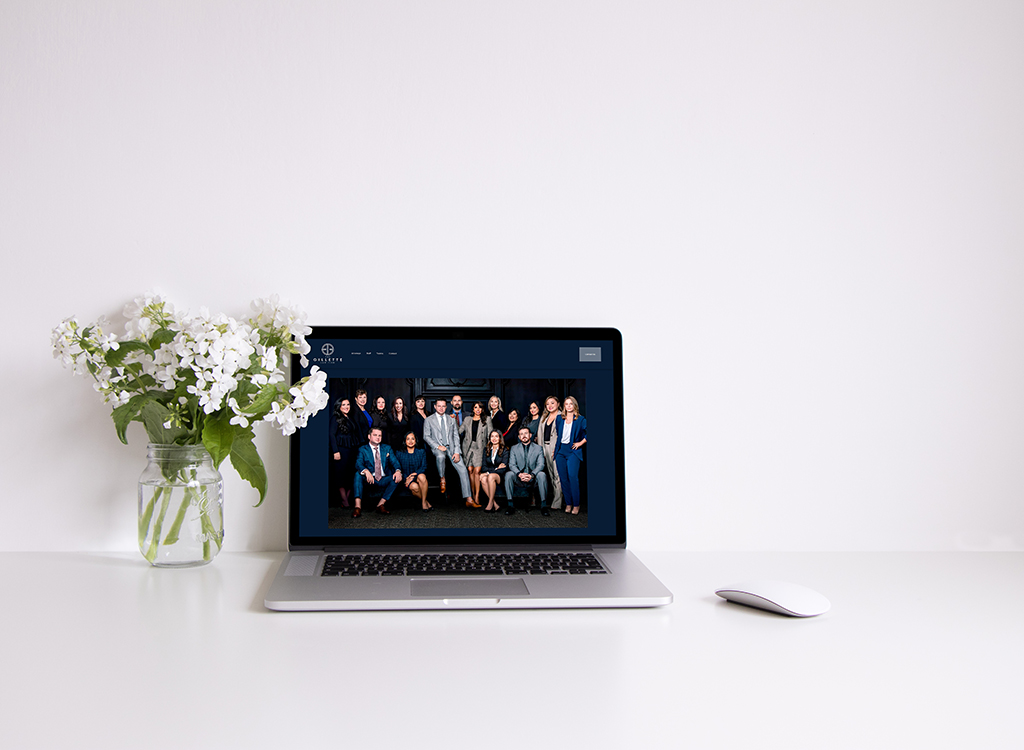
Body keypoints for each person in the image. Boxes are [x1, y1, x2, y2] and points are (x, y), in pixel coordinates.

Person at [422, 397, 476, 507]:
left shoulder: (451, 419)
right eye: (439, 406)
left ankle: (469, 499)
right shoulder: (429, 420)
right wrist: (437, 446)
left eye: (443, 406)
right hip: (438, 448)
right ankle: (442, 479)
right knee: (440, 457)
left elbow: (456, 437)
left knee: (463, 469)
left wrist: (456, 451)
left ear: (446, 407)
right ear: (435, 406)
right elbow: (426, 436)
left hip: (451, 448)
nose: (441, 408)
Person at [352, 426, 402, 518]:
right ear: (369, 436)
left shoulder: (387, 448)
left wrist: (398, 471)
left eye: (380, 435)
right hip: (370, 479)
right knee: (357, 474)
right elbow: (358, 464)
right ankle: (357, 507)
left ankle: (380, 505)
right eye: (375, 435)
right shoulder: (363, 449)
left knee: (396, 477)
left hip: (383, 478)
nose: (378, 437)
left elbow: (395, 462)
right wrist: (366, 471)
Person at [504, 426, 549, 516]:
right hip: (519, 477)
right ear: (519, 437)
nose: (524, 436)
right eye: (521, 434)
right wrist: (519, 474)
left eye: (526, 433)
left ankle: (544, 506)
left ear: (530, 435)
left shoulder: (538, 448)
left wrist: (532, 475)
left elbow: (541, 464)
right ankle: (510, 505)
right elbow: (512, 465)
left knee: (542, 475)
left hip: (533, 478)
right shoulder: (514, 448)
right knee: (508, 474)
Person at [554, 396, 587, 515]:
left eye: (571, 404)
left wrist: (580, 443)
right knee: (563, 479)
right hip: (560, 451)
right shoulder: (559, 418)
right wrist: (556, 450)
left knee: (573, 477)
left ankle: (576, 505)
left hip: (573, 451)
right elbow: (559, 435)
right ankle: (568, 503)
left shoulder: (581, 419)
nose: (568, 406)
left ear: (575, 406)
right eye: (566, 404)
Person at [459, 402, 491, 505]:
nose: (478, 409)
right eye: (476, 407)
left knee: (477, 471)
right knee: (470, 470)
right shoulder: (467, 419)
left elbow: (490, 435)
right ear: (473, 409)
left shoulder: (487, 419)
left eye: (480, 407)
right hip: (468, 447)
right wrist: (452, 422)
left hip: (480, 448)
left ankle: (477, 496)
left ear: (482, 409)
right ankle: (471, 496)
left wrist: (490, 449)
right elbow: (459, 431)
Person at [329, 397, 358, 508]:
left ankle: (346, 498)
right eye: (344, 405)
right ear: (339, 406)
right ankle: (344, 501)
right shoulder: (335, 418)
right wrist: (335, 451)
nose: (346, 407)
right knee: (340, 474)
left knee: (350, 474)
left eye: (348, 404)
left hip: (351, 449)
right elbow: (331, 435)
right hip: (341, 449)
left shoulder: (350, 418)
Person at [537, 395, 564, 510]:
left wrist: (557, 448)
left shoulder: (562, 416)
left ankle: (557, 503)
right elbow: (539, 434)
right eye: (547, 404)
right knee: (551, 475)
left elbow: (563, 435)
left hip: (556, 448)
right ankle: (556, 498)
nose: (550, 406)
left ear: (558, 404)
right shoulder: (544, 417)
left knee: (558, 476)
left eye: (552, 403)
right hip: (545, 448)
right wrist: (540, 450)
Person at [395, 431, 431, 512]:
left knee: (422, 476)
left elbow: (424, 466)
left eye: (412, 439)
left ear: (415, 440)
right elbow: (398, 469)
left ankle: (424, 504)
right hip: (406, 479)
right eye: (408, 439)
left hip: (418, 477)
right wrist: (407, 478)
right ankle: (426, 502)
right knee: (414, 487)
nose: (410, 441)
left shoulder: (421, 452)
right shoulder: (399, 453)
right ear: (405, 441)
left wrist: (414, 475)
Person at [479, 430, 509, 512]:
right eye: (492, 436)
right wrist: (495, 469)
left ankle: (490, 503)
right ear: (489, 438)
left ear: (500, 438)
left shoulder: (505, 450)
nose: (494, 438)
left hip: (500, 476)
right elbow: (484, 467)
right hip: (492, 473)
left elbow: (503, 468)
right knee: (483, 478)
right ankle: (495, 504)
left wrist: (490, 472)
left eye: (496, 436)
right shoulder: (486, 449)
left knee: (490, 476)